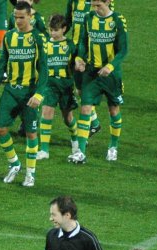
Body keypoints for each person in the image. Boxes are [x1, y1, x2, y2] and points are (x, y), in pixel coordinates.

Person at [0, 1, 47, 187]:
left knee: (31, 134)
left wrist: (39, 95)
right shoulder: (9, 36)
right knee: (0, 129)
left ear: (30, 16)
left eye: (22, 17)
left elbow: (44, 69)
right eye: (15, 17)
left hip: (29, 92)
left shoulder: (38, 37)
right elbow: (2, 63)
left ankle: (30, 173)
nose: (18, 20)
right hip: (11, 90)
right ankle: (14, 163)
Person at [68, 0, 128, 164]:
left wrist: (110, 66)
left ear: (108, 2)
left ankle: (113, 147)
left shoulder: (117, 20)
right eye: (93, 5)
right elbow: (83, 42)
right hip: (92, 72)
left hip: (111, 75)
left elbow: (123, 50)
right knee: (86, 108)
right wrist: (80, 58)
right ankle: (80, 152)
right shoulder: (89, 18)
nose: (94, 9)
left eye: (98, 6)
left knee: (113, 110)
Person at [65, 0, 115, 137]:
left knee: (87, 90)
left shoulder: (100, 2)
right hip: (76, 50)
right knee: (80, 89)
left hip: (91, 52)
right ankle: (95, 123)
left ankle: (87, 129)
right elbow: (67, 22)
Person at [36, 14, 80, 161]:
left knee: (68, 118)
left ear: (64, 29)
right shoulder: (45, 45)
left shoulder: (71, 45)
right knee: (46, 113)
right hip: (50, 85)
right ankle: (44, 150)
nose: (53, 33)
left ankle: (75, 140)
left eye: (56, 30)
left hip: (66, 85)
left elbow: (78, 64)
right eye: (51, 30)